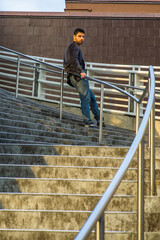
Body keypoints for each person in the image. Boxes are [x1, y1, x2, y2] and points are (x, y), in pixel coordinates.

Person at [63, 28, 104, 129]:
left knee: (91, 98)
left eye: (83, 37)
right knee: (85, 99)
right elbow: (74, 60)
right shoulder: (75, 47)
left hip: (74, 76)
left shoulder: (71, 47)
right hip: (78, 76)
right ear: (74, 37)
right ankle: (88, 122)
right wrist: (81, 71)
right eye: (79, 36)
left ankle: (99, 119)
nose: (82, 38)